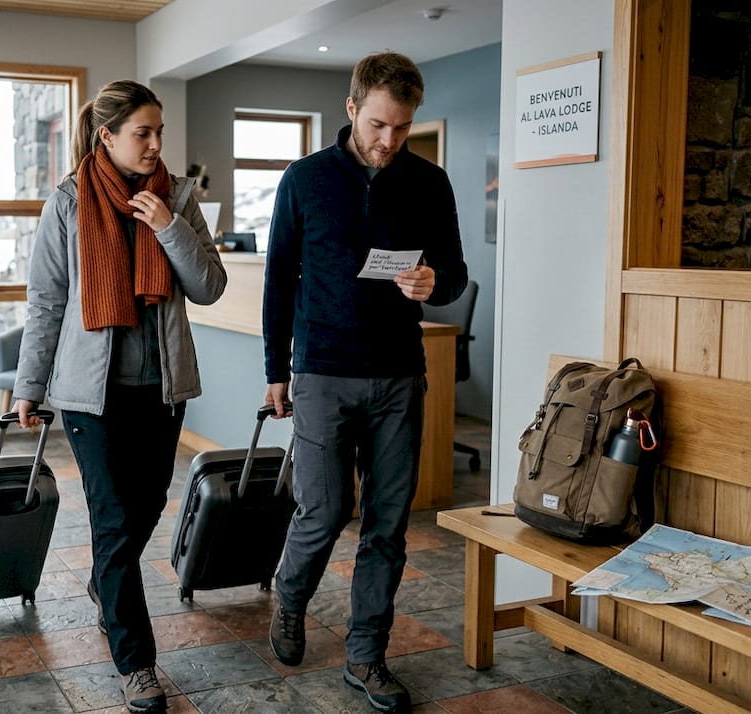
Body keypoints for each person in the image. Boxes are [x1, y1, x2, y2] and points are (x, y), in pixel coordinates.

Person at [261, 52, 469, 714]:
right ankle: (290, 597)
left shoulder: (430, 183)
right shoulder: (304, 180)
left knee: (388, 523)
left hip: (400, 376)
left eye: (402, 129)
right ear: (352, 109)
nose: (389, 142)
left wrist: (437, 282)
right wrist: (276, 370)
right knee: (325, 510)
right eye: (379, 125)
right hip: (322, 371)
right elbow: (276, 281)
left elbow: (456, 271)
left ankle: (366, 657)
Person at [11, 79, 226, 714]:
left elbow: (209, 286)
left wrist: (168, 229)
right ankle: (137, 664)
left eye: (160, 132)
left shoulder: (178, 199)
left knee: (145, 509)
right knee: (111, 519)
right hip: (89, 396)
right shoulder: (69, 202)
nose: (157, 144)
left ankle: (108, 582)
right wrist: (30, 386)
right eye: (143, 133)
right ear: (107, 135)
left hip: (161, 391)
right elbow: (47, 301)